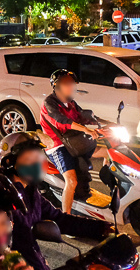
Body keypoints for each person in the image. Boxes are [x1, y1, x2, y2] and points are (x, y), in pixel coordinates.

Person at [0, 132, 111, 270]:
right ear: (10, 163)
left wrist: (101, 228)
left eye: (39, 157)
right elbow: (11, 248)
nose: (37, 163)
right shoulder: (3, 198)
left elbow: (59, 219)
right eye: (30, 158)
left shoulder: (31, 193)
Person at [39, 69, 99, 214]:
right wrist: (86, 130)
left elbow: (82, 116)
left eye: (72, 84)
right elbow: (62, 121)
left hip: (73, 141)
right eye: (67, 84)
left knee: (108, 152)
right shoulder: (49, 103)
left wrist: (104, 125)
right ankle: (66, 217)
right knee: (71, 181)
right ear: (56, 86)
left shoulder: (70, 103)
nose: (71, 87)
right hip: (57, 146)